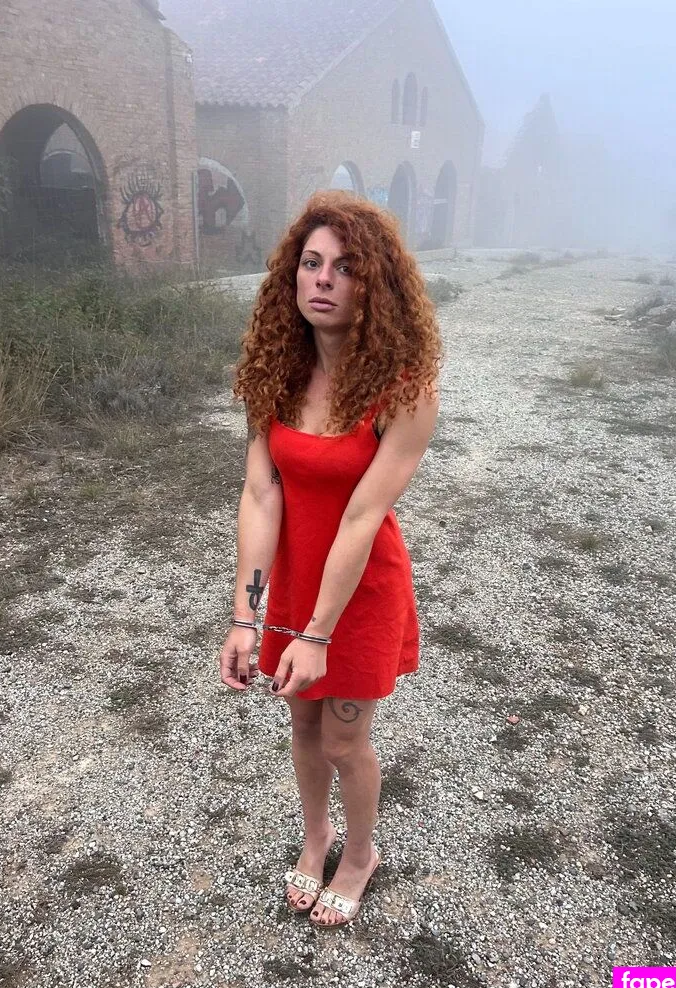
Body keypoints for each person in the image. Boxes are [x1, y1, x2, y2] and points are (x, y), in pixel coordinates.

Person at [219, 190, 442, 927]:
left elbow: (362, 514)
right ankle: (316, 838)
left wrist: (317, 633)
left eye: (344, 268)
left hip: (359, 590)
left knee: (344, 739)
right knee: (303, 729)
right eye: (310, 263)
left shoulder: (404, 391)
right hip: (292, 583)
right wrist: (245, 617)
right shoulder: (275, 376)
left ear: (373, 285)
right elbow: (261, 494)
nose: (323, 279)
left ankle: (360, 854)